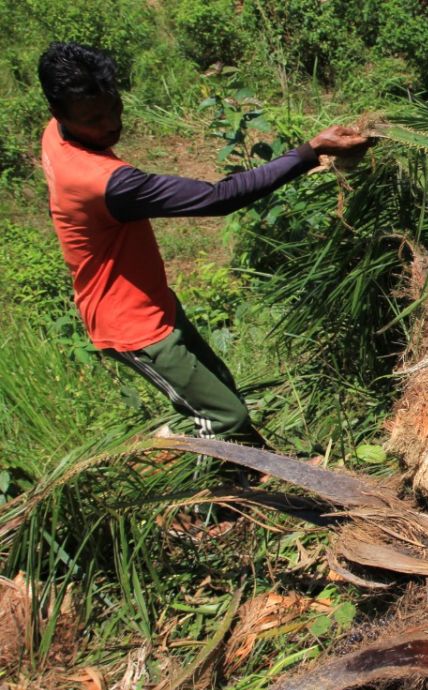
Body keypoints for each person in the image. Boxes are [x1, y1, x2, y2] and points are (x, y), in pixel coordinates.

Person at [37, 41, 370, 447]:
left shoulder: (57, 134)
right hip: (132, 326)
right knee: (223, 416)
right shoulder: (103, 181)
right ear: (60, 113)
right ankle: (211, 499)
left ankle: (252, 471)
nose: (110, 125)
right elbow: (218, 198)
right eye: (94, 118)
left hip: (149, 300)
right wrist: (310, 151)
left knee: (222, 389)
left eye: (115, 108)